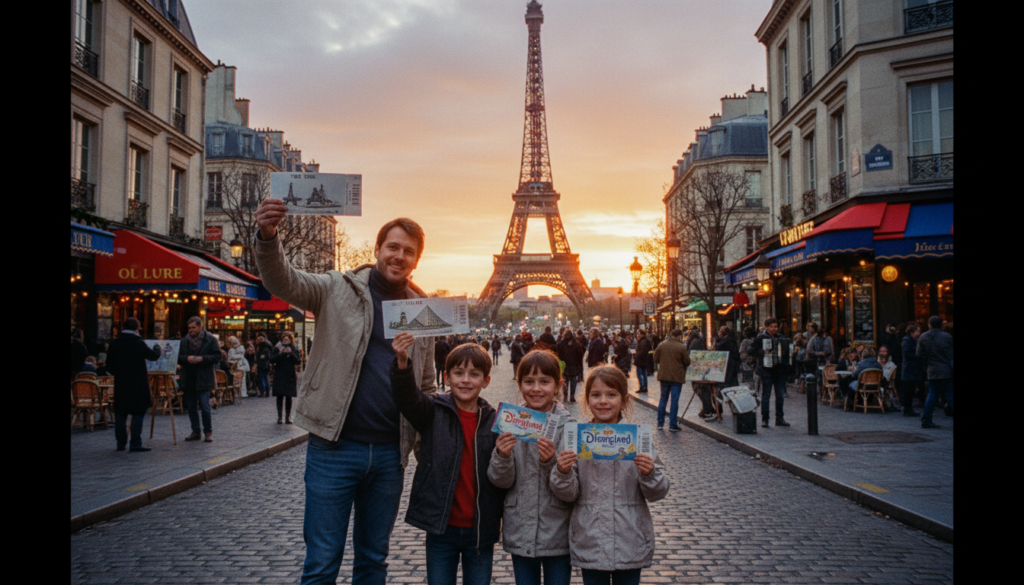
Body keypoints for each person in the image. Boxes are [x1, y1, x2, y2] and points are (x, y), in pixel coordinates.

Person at [255, 200, 437, 584]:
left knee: (373, 560)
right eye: (393, 247)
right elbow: (284, 281)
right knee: (322, 562)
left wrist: (431, 448)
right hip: (334, 448)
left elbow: (426, 386)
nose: (399, 256)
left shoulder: (424, 313)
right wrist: (268, 237)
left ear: (416, 260)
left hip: (389, 455)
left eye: (408, 251)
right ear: (377, 249)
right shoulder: (336, 288)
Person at [390, 339, 504, 585]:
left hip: (480, 531)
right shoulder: (432, 411)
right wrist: (402, 362)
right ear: (446, 377)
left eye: (474, 374)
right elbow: (407, 398)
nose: (466, 380)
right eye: (459, 373)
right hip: (441, 528)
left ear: (486, 381)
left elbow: (505, 475)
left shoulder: (495, 422)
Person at [550, 366, 670, 585]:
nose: (603, 401)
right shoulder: (576, 438)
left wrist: (649, 473)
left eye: (611, 395)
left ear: (624, 400)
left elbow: (658, 492)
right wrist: (563, 472)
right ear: (587, 400)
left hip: (630, 539)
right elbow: (568, 494)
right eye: (596, 395)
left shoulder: (637, 439)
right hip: (590, 539)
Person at [489, 350, 576, 585]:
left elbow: (572, 492)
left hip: (557, 531)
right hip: (520, 529)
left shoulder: (569, 427)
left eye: (544, 381)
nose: (536, 388)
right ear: (519, 384)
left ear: (558, 385)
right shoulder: (509, 422)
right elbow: (500, 481)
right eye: (529, 381)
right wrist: (503, 456)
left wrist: (553, 465)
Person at [105, 317, 161, 452]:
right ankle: (135, 443)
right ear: (137, 329)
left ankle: (120, 443)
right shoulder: (138, 342)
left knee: (121, 413)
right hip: (138, 383)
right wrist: (157, 349)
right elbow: (152, 356)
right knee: (138, 412)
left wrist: (119, 373)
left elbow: (109, 365)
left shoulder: (115, 343)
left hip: (121, 383)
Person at [178, 316, 221, 443]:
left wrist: (203, 358)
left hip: (204, 377)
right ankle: (195, 431)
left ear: (200, 326)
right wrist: (186, 358)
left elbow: (217, 356)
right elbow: (178, 357)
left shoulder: (210, 339)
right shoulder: (184, 341)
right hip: (189, 377)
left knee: (205, 406)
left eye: (193, 327)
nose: (191, 330)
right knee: (191, 407)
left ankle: (208, 432)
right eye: (189, 328)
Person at [748, 318, 791, 428]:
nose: (773, 329)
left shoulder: (781, 338)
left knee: (780, 396)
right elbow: (750, 350)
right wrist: (762, 352)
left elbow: (785, 353)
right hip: (766, 370)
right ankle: (765, 419)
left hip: (779, 370)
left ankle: (779, 418)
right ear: (766, 327)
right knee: (766, 395)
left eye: (775, 327)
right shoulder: (761, 338)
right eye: (771, 327)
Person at [918, 316, 954, 429]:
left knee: (932, 394)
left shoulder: (923, 337)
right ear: (941, 324)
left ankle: (926, 419)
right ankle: (926, 420)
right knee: (950, 394)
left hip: (932, 369)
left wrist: (926, 364)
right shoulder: (947, 337)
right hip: (946, 369)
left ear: (929, 324)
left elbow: (919, 354)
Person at [652, 329, 690, 431]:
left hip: (664, 376)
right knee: (674, 400)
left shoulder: (661, 345)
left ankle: (660, 423)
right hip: (676, 377)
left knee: (663, 399)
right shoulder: (681, 347)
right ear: (679, 336)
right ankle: (672, 425)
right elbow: (687, 361)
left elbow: (655, 359)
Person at [272, 332, 302, 424]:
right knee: (279, 396)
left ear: (290, 340)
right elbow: (271, 359)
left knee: (289, 396)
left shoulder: (294, 348)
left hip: (290, 375)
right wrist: (280, 353)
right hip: (279, 374)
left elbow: (298, 361)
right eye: (284, 339)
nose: (285, 341)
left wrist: (291, 353)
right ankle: (279, 417)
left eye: (287, 339)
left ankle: (288, 417)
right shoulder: (277, 348)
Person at [899, 325, 924, 417]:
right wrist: (918, 355)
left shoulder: (912, 340)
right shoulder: (907, 340)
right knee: (909, 389)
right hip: (910, 368)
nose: (918, 333)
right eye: (917, 331)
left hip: (912, 368)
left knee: (911, 389)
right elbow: (907, 354)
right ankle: (907, 408)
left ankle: (908, 408)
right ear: (912, 332)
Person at [557, 328, 584, 402]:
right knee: (573, 381)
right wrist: (579, 366)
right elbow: (580, 355)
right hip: (574, 365)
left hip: (565, 365)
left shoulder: (562, 343)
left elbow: (558, 354)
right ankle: (572, 396)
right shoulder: (576, 343)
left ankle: (565, 396)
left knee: (565, 381)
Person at [633, 329, 653, 394]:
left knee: (640, 374)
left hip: (641, 361)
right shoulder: (644, 340)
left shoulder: (643, 341)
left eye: (638, 333)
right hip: (643, 361)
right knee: (644, 374)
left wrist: (636, 357)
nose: (637, 335)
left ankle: (642, 387)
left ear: (642, 334)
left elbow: (642, 352)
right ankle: (644, 387)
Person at [254, 333, 274, 398]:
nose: (260, 339)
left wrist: (262, 356)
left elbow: (266, 355)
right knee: (265, 378)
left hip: (263, 364)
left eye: (261, 338)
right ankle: (266, 392)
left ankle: (263, 392)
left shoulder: (264, 345)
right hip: (265, 364)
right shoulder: (267, 345)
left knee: (262, 378)